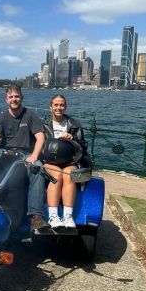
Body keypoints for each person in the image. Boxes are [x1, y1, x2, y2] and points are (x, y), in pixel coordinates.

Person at [0, 84, 50, 232]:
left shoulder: (30, 115)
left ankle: (36, 217)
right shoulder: (2, 117)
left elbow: (40, 137)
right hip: (5, 153)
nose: (14, 99)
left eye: (17, 96)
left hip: (25, 155)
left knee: (38, 169)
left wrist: (34, 156)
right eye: (11, 97)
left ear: (22, 97)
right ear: (6, 99)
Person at [42, 94, 90, 229]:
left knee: (68, 175)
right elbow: (38, 144)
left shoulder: (74, 125)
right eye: (56, 105)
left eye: (62, 105)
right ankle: (53, 215)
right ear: (50, 107)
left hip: (70, 161)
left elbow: (83, 147)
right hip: (50, 162)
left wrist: (73, 140)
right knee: (56, 175)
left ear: (65, 107)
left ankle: (68, 216)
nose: (59, 108)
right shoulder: (43, 125)